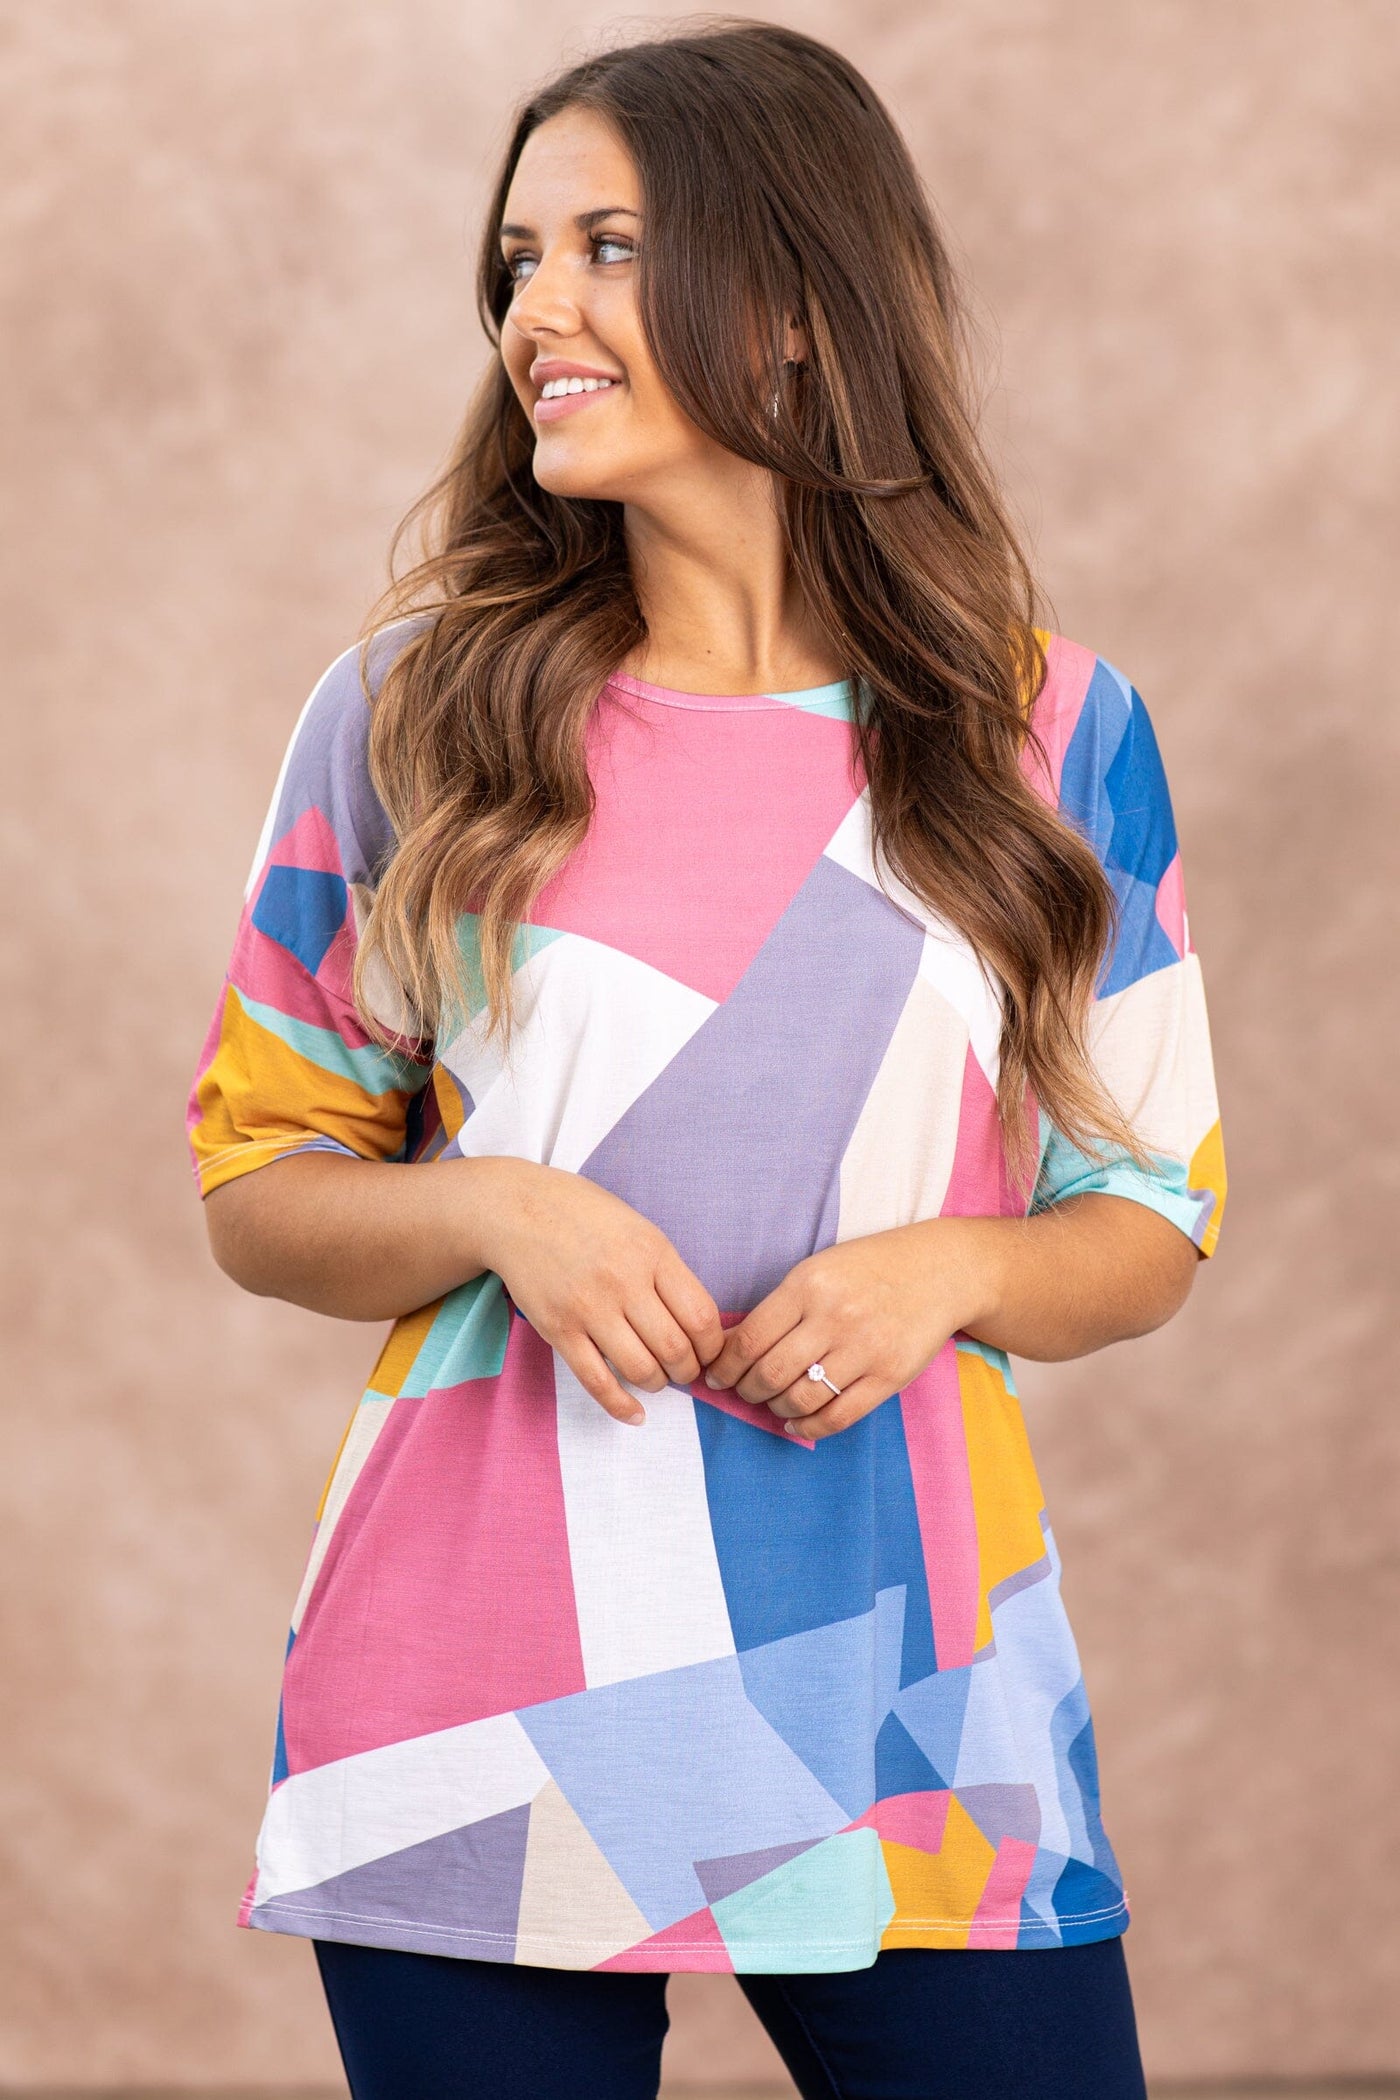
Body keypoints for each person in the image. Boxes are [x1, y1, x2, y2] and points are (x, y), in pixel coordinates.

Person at [185, 21, 1226, 2099]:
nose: (535, 312)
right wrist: (505, 1211)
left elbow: (1150, 1214)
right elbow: (259, 1191)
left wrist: (957, 1266)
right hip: (479, 1698)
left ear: (797, 299)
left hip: (914, 1700)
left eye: (608, 247)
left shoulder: (1049, 733)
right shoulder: (407, 716)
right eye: (518, 258)